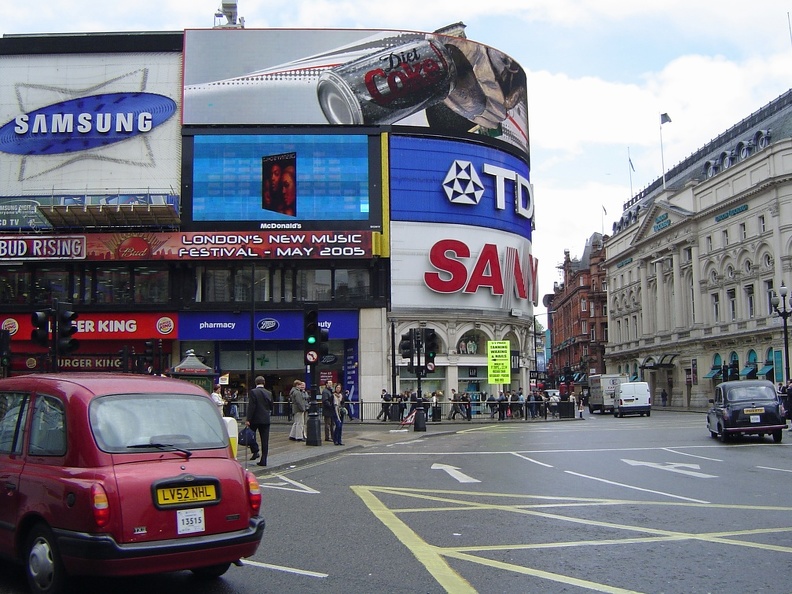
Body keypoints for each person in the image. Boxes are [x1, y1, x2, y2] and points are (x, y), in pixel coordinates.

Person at [245, 376, 273, 466]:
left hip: (255, 419)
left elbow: (251, 406)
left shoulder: (253, 392)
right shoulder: (269, 393)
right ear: (264, 383)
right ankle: (263, 460)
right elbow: (271, 406)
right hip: (265, 419)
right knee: (265, 440)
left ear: (256, 382)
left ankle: (255, 450)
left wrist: (248, 419)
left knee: (251, 436)